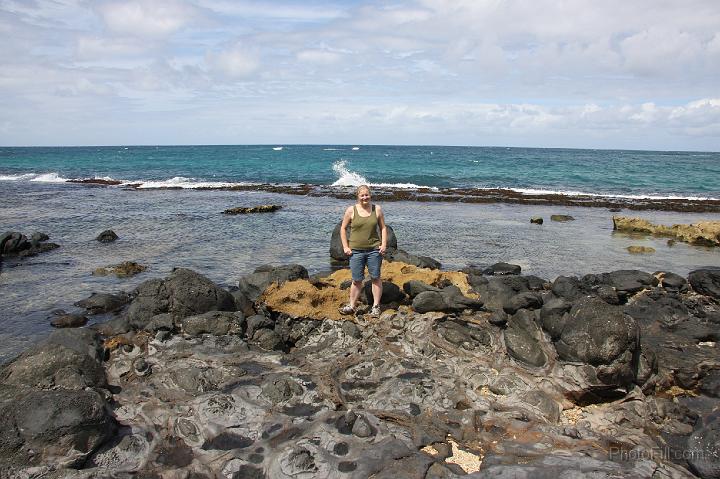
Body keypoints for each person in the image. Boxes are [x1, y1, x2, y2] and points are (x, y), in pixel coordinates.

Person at [339, 184, 387, 316]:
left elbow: (383, 228)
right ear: (358, 197)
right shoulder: (351, 210)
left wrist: (383, 245)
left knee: (375, 278)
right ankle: (352, 306)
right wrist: (345, 247)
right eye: (362, 195)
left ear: (370, 195)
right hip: (356, 251)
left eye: (367, 195)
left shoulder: (377, 209)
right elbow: (342, 228)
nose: (365, 197)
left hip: (373, 250)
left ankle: (376, 306)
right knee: (356, 280)